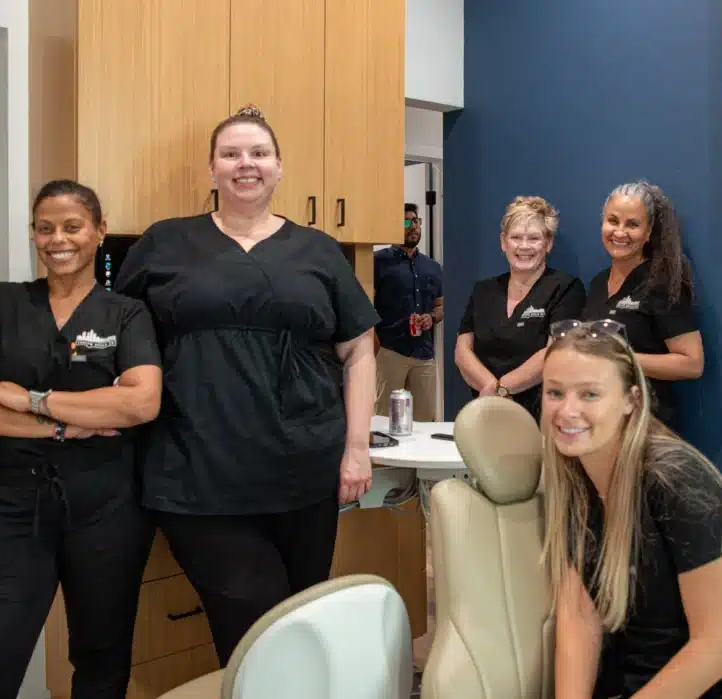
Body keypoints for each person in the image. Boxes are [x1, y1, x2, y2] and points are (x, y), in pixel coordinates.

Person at [113, 104, 379, 665]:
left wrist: (356, 450)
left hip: (305, 471)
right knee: (256, 627)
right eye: (231, 154)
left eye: (258, 153)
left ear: (279, 167)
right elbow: (117, 333)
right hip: (197, 472)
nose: (245, 164)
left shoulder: (318, 250)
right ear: (211, 170)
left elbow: (359, 350)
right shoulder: (164, 244)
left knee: (305, 617)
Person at [0, 180, 163, 699]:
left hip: (108, 505)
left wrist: (30, 400)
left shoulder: (126, 313)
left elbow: (140, 403)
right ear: (35, 236)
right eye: (45, 228)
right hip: (13, 502)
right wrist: (63, 425)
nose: (58, 238)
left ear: (99, 231)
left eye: (72, 226)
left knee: (102, 659)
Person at [543, 319, 722, 699]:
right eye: (554, 392)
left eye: (590, 395)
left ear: (631, 400)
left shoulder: (676, 479)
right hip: (642, 681)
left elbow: (715, 647)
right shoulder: (571, 480)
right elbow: (579, 616)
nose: (567, 411)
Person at [579, 180, 703, 432]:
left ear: (648, 233)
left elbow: (692, 364)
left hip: (648, 422)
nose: (620, 232)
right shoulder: (597, 283)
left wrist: (622, 358)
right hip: (601, 420)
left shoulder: (662, 283)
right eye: (613, 221)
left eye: (632, 224)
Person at [455, 195, 586, 421]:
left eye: (534, 238)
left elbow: (554, 352)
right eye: (516, 237)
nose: (524, 246)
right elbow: (462, 350)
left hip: (542, 419)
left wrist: (502, 389)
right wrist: (491, 389)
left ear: (548, 243)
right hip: (485, 413)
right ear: (503, 242)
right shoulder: (484, 290)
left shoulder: (566, 288)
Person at [373, 202, 444, 420]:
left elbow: (441, 306)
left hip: (424, 354)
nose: (413, 226)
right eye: (406, 221)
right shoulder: (378, 262)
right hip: (390, 351)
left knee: (425, 419)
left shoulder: (432, 266)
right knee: (384, 420)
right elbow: (365, 306)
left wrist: (431, 318)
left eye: (416, 221)